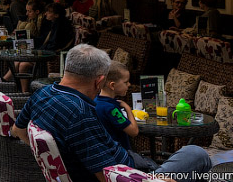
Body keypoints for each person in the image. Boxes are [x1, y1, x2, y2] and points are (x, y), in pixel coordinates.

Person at [11, 44, 211, 182]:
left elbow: (17, 131)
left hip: (124, 164)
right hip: (133, 174)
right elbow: (106, 176)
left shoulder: (42, 94)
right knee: (196, 154)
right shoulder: (80, 113)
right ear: (99, 81)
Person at [96, 61, 162, 172]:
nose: (129, 85)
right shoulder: (111, 109)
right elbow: (134, 131)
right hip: (121, 159)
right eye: (126, 82)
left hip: (108, 156)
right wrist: (127, 108)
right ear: (112, 85)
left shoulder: (96, 101)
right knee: (155, 168)